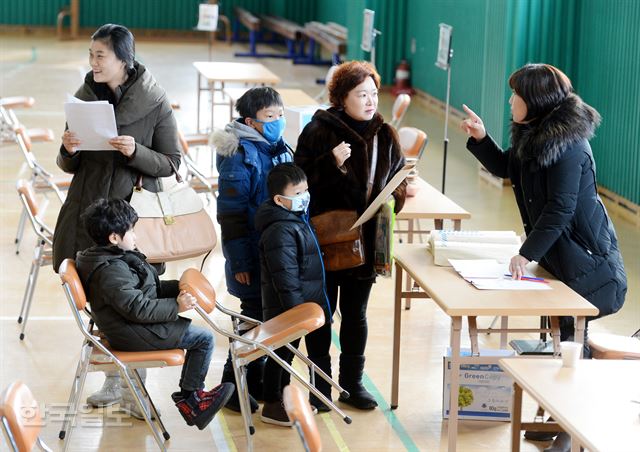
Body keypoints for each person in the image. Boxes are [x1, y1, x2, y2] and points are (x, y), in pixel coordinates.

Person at [461, 63, 627, 452]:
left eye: (515, 94)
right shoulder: (532, 133)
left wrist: (525, 253)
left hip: (588, 264)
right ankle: (558, 420)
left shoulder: (570, 145)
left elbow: (561, 209)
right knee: (559, 339)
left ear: (534, 100)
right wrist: (482, 138)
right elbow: (508, 168)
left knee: (572, 341)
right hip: (559, 259)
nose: (510, 101)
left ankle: (570, 432)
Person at [53, 23, 182, 410]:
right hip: (88, 216)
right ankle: (114, 382)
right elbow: (67, 165)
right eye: (91, 55)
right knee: (100, 304)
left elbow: (171, 163)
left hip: (131, 222)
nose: (92, 62)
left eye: (100, 55)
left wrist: (135, 152)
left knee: (133, 301)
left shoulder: (155, 101)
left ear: (124, 59)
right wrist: (68, 149)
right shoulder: (83, 96)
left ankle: (134, 391)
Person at [294, 61, 407, 410]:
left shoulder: (385, 135)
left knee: (356, 315)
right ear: (343, 98)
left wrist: (396, 196)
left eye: (374, 93)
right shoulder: (318, 130)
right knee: (321, 315)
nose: (371, 100)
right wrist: (329, 163)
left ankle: (352, 384)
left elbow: (399, 181)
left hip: (366, 241)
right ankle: (320, 386)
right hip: (324, 242)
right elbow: (297, 182)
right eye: (362, 94)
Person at [75, 199, 234, 429]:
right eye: (131, 231)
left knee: (201, 334)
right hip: (133, 332)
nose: (135, 236)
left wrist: (178, 286)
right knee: (204, 339)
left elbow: (144, 290)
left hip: (130, 326)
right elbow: (138, 308)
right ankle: (193, 400)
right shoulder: (111, 271)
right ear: (114, 238)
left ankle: (192, 398)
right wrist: (176, 306)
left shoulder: (107, 258)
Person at [211, 87, 293, 412]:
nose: (277, 121)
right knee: (252, 318)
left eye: (280, 114)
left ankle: (253, 382)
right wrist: (241, 260)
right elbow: (231, 215)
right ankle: (233, 387)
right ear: (251, 121)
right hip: (250, 252)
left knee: (264, 318)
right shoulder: (239, 155)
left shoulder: (278, 146)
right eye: (269, 117)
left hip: (274, 249)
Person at [254, 163, 332, 425]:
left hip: (312, 300)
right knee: (283, 355)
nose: (305, 197)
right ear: (279, 199)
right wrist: (297, 315)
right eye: (298, 193)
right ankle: (274, 405)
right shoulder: (279, 230)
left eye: (306, 190)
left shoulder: (294, 219)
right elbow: (286, 278)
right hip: (290, 307)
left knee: (317, 351)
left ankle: (321, 398)